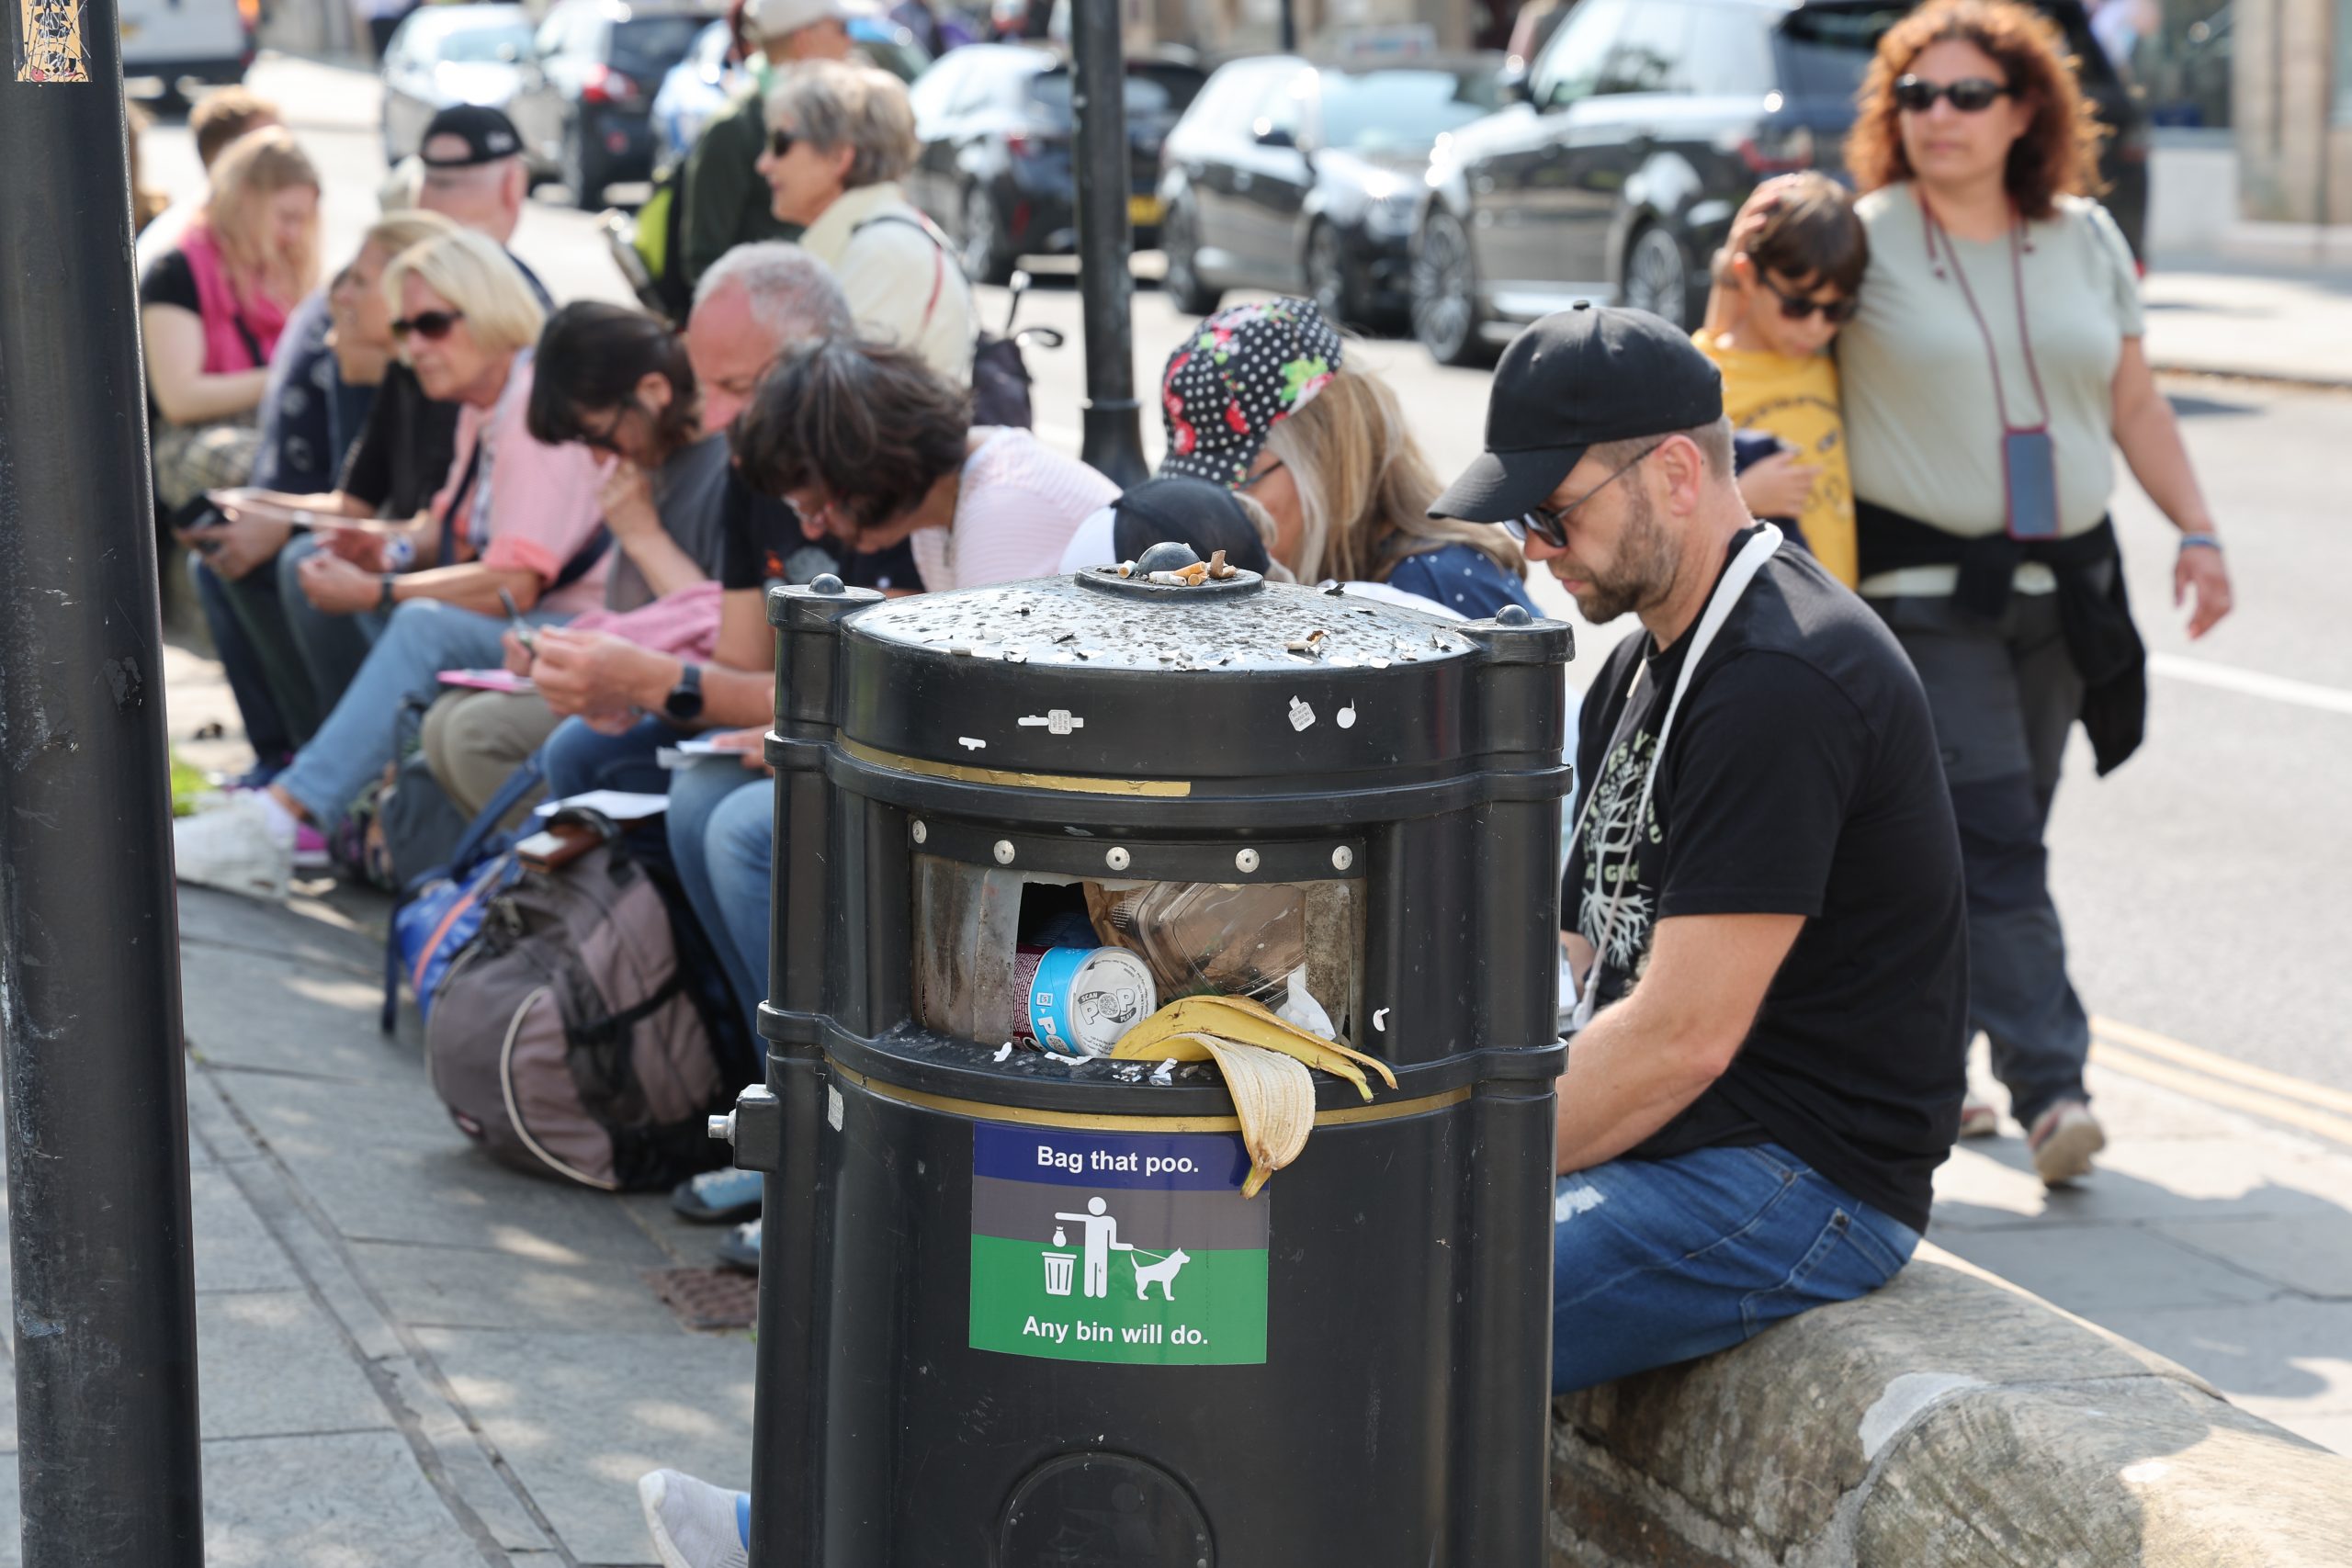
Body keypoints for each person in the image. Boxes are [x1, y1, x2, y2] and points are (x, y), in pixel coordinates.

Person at [1424, 302, 1968, 1393]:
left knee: (1416, 1304)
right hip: (1692, 1138)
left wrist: (1438, 1160)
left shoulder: (1785, 679)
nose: (1532, 552)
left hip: (1802, 1177)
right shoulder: (1636, 668)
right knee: (1366, 1255)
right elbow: (1570, 959)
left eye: (1551, 512)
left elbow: (1681, 1040)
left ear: (1673, 473)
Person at [1835, 0, 2233, 1180]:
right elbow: (1758, 353)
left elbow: (2134, 405)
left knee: (1981, 845)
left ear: (2024, 113)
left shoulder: (2083, 238)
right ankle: (2052, 1089)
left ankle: (1926, 1060)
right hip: (1921, 590)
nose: (1937, 118)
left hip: (2066, 589)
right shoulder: (1861, 237)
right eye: (1915, 95)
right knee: (1995, 837)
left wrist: (2198, 532)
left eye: (1965, 96)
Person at [172, 230, 609, 899]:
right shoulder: (488, 403)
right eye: (405, 328)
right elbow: (440, 528)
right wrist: (382, 548)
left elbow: (513, 582)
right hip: (535, 625)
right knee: (315, 569)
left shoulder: (529, 407)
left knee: (423, 624)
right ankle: (320, 798)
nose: (414, 347)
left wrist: (381, 586)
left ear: (488, 307)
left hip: (573, 633)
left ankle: (281, 817)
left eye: (433, 324)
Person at [193, 211, 459, 783]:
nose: (340, 292)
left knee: (302, 561)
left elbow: (443, 534)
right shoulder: (404, 375)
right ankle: (286, 759)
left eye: (360, 280)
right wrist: (252, 508)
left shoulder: (450, 381)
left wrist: (284, 528)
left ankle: (350, 781)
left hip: (438, 585)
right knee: (215, 558)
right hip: (394, 558)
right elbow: (353, 503)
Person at [1158, 298, 1532, 616]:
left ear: (1324, 459)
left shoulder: (1438, 587)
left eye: (1234, 487)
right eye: (1191, 490)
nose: (1207, 515)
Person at [1692, 171, 1868, 587]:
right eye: (1797, 305)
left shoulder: (1830, 363)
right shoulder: (1702, 373)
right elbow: (1666, 510)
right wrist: (1746, 497)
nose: (1816, 327)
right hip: (1758, 624)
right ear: (1749, 276)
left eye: (1836, 311)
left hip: (1843, 611)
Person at [759, 58, 976, 384]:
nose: (764, 164)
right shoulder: (871, 241)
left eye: (780, 143)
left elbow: (825, 403)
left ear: (838, 157)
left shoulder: (884, 253)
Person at [139, 126, 322, 511]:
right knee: (272, 467)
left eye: (302, 221)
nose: (293, 234)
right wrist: (283, 376)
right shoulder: (177, 271)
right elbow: (180, 399)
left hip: (271, 423)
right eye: (286, 217)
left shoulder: (287, 271)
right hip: (193, 442)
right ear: (246, 201)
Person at [676, 0, 859, 290]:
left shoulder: (840, 120)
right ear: (804, 39)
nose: (851, 40)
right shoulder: (733, 129)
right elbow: (705, 263)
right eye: (841, 28)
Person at [135, 86, 282, 272]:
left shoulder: (251, 231)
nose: (286, 157)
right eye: (268, 150)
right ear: (226, 157)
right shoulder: (183, 250)